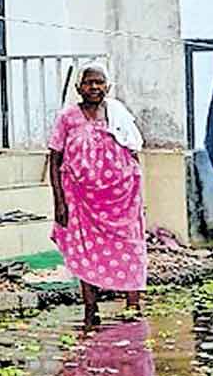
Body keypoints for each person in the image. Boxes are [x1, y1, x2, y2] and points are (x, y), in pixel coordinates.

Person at [48, 64, 147, 326]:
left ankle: (133, 307)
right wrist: (59, 201)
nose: (94, 88)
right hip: (80, 198)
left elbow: (133, 149)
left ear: (108, 87)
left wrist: (135, 188)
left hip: (121, 198)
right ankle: (91, 309)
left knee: (130, 245)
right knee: (85, 250)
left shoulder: (117, 113)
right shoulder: (67, 117)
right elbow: (55, 158)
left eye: (99, 83)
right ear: (79, 88)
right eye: (89, 83)